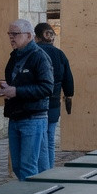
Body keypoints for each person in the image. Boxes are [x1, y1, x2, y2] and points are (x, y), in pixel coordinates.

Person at [0, 18, 54, 179]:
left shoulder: (39, 57)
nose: (11, 37)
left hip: (33, 117)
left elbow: (47, 87)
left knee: (27, 168)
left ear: (29, 35)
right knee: (22, 167)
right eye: (9, 34)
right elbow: (20, 80)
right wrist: (8, 86)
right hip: (16, 116)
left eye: (15, 34)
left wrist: (16, 91)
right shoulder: (15, 56)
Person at [34, 21, 75, 171]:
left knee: (38, 140)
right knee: (50, 139)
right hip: (53, 101)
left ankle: (40, 170)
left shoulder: (33, 52)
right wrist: (68, 95)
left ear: (36, 37)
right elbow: (68, 80)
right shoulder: (59, 54)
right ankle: (49, 169)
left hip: (36, 102)